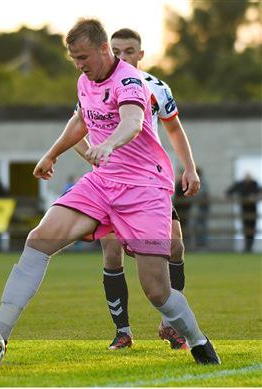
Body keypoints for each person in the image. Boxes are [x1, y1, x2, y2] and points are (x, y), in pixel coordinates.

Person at [0, 18, 219, 365]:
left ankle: (198, 341)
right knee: (39, 239)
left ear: (103, 49)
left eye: (83, 57)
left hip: (144, 188)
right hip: (103, 182)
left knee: (157, 291)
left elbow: (132, 121)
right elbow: (81, 120)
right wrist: (52, 153)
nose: (79, 65)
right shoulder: (85, 80)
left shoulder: (130, 79)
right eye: (74, 59)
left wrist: (110, 144)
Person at [73, 28, 200, 350]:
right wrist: (93, 153)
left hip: (147, 183)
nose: (123, 56)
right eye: (117, 50)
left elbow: (173, 129)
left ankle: (170, 323)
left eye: (129, 50)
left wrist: (190, 168)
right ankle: (122, 331)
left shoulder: (156, 87)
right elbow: (77, 127)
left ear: (140, 54)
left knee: (175, 247)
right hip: (111, 185)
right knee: (112, 252)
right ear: (107, 50)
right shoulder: (94, 83)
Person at [226, 173, 261, 253]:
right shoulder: (240, 184)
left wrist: (255, 197)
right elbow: (231, 190)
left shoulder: (254, 184)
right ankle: (246, 246)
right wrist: (227, 194)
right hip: (244, 209)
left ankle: (250, 246)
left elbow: (260, 192)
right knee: (245, 227)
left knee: (252, 228)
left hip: (252, 209)